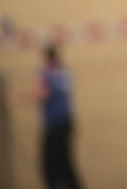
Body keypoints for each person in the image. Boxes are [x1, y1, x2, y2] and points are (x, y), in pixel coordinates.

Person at [38, 45, 83, 189]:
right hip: (66, 123)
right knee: (62, 162)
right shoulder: (64, 73)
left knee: (52, 165)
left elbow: (42, 93)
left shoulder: (47, 74)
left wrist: (11, 97)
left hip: (56, 125)